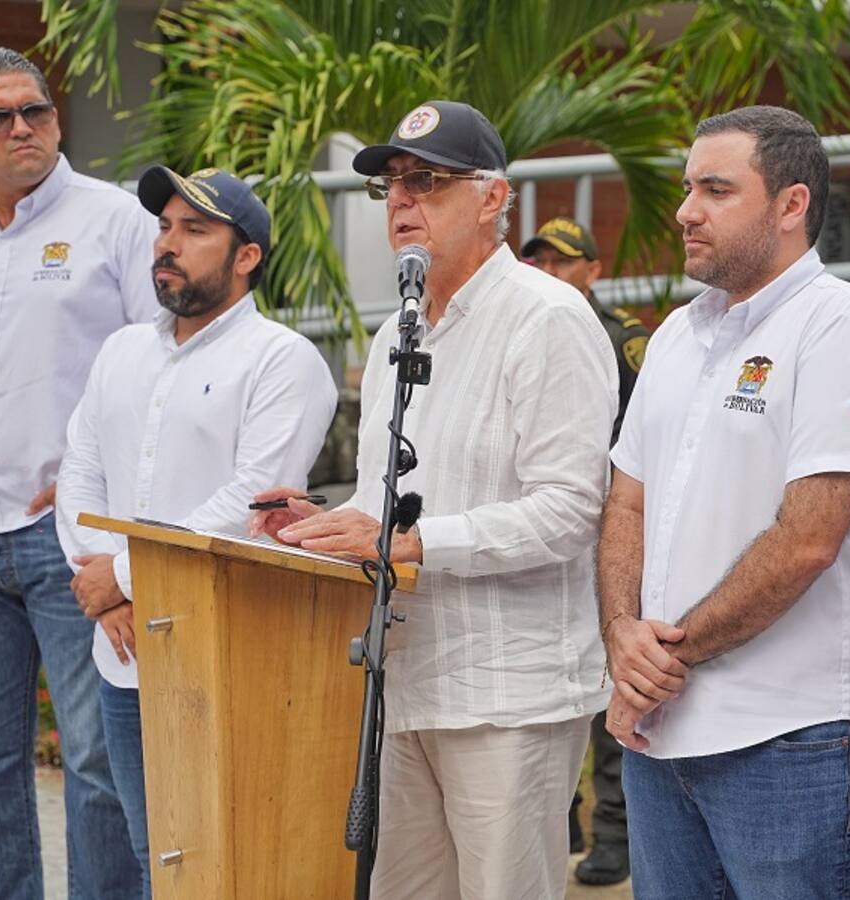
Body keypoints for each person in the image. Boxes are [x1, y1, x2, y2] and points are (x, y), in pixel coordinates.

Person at [250, 100, 618, 899]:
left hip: (507, 695)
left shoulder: (549, 318)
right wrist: (320, 516)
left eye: (427, 181)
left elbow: (570, 510)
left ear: (493, 198)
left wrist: (412, 545)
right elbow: (395, 496)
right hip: (405, 679)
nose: (403, 201)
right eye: (392, 185)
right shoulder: (398, 333)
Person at [599, 105, 850, 899]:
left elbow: (808, 540)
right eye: (685, 188)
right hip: (660, 736)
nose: (685, 211)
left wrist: (662, 657)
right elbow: (626, 502)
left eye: (716, 189)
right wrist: (621, 638)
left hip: (792, 737)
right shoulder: (674, 334)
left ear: (791, 205)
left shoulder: (848, 327)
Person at [0, 47, 157, 899]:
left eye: (36, 111)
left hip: (72, 539)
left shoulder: (116, 221)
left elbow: (156, 369)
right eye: (0, 117)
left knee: (96, 762)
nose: (24, 128)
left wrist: (99, 494)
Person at [54, 165, 337, 897]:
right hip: (125, 648)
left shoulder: (283, 360)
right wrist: (107, 588)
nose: (168, 244)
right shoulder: (121, 351)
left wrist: (117, 576)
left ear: (247, 257)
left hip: (227, 654)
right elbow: (79, 470)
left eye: (195, 230)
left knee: (220, 864)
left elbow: (254, 502)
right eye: (165, 226)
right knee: (152, 855)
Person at [522, 217, 647, 886]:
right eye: (539, 261)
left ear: (592, 271)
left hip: (608, 537)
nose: (550, 272)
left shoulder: (623, 339)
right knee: (547, 686)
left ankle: (615, 836)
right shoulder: (520, 329)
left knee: (608, 690)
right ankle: (562, 821)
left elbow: (641, 445)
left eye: (564, 262)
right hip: (538, 546)